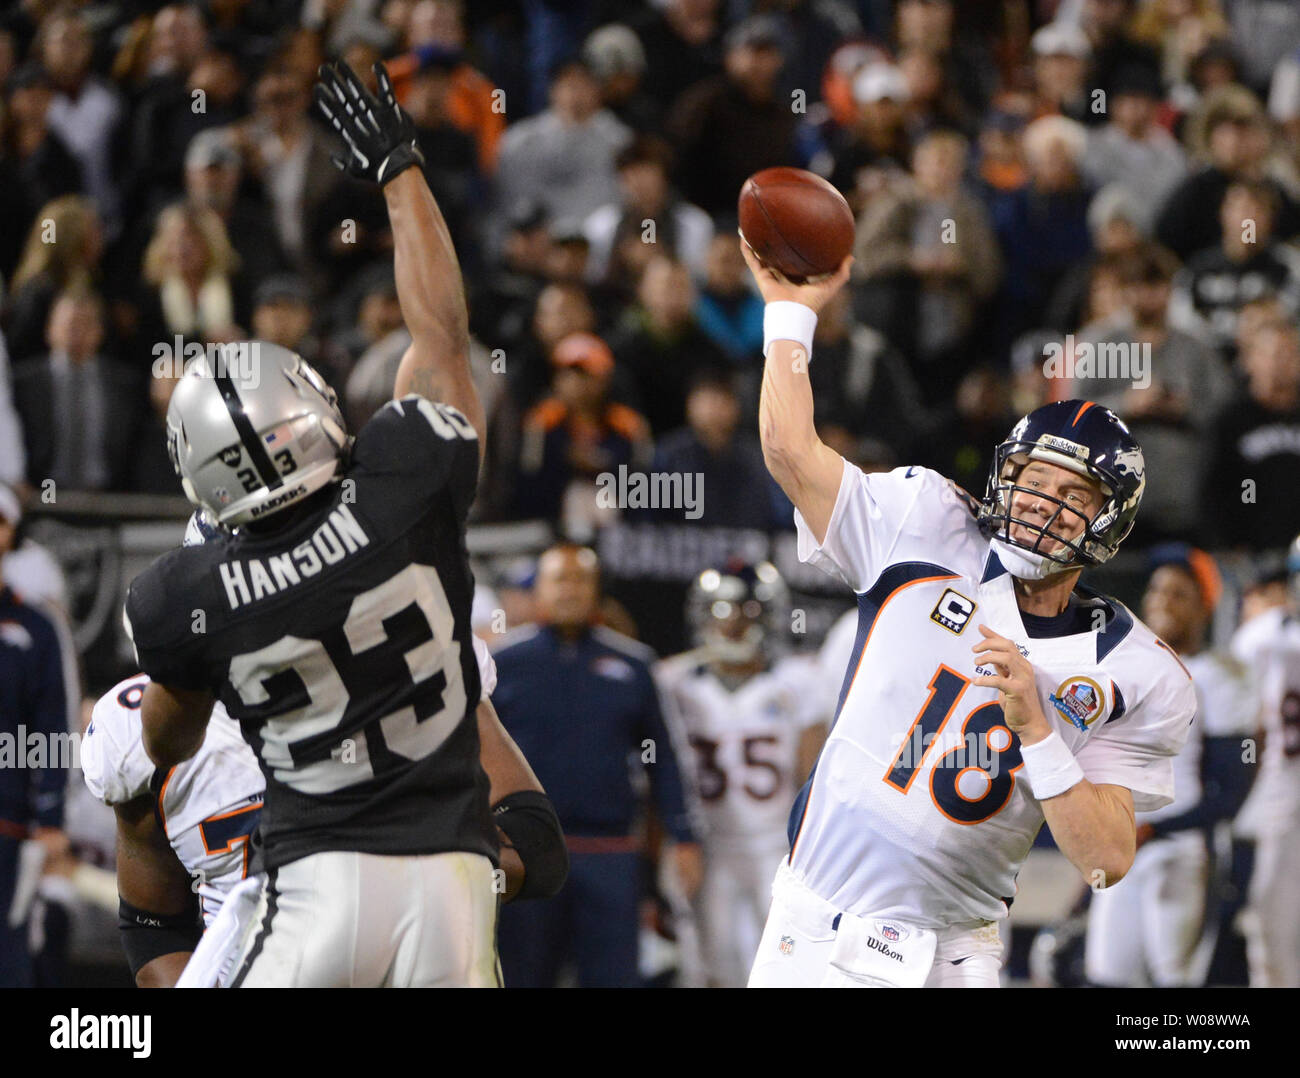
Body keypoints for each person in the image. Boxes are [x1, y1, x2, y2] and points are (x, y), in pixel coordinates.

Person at [124, 59, 509, 988]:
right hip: (456, 882)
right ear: (315, 408)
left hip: (319, 882)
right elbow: (443, 339)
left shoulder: (184, 593)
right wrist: (398, 169)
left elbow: (167, 744)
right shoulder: (408, 476)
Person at [740, 241, 1196, 988]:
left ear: (1108, 526)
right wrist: (790, 314)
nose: (1043, 501)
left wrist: (1040, 732)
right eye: (1032, 479)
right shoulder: (925, 521)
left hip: (953, 956)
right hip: (813, 925)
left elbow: (1107, 863)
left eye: (1073, 494)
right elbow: (790, 450)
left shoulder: (1133, 669)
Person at [83, 511, 563, 988]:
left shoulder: (411, 661)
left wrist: (425, 860)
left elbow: (535, 845)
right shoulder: (138, 727)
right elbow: (153, 927)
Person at [492, 543, 701, 987]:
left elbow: (663, 758)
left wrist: (683, 836)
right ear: (538, 592)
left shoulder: (634, 664)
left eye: (580, 579)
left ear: (597, 590)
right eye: (559, 580)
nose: (570, 590)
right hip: (526, 855)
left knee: (613, 979)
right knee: (521, 977)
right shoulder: (501, 665)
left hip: (609, 853)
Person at [1085, 546, 1257, 986]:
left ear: (1205, 606)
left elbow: (1231, 793)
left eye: (1179, 593)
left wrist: (1156, 830)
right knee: (1109, 971)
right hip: (1126, 847)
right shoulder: (1127, 669)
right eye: (1158, 588)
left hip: (1184, 852)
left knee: (1174, 976)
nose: (1162, 600)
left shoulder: (1222, 677)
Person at [657, 562, 827, 987]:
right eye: (720, 611)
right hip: (704, 844)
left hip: (778, 847)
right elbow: (656, 775)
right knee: (708, 965)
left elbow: (817, 779)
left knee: (782, 966)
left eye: (745, 611)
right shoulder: (672, 681)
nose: (732, 624)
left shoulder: (798, 681)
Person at [0, 483, 72, 987]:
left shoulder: (36, 629)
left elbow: (51, 725)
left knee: (12, 959)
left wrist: (49, 815)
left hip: (9, 825)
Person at [1230, 534, 1300, 987]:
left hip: (1282, 797)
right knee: (1270, 923)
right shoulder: (1268, 636)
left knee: (1272, 925)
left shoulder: (1269, 635)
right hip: (1282, 796)